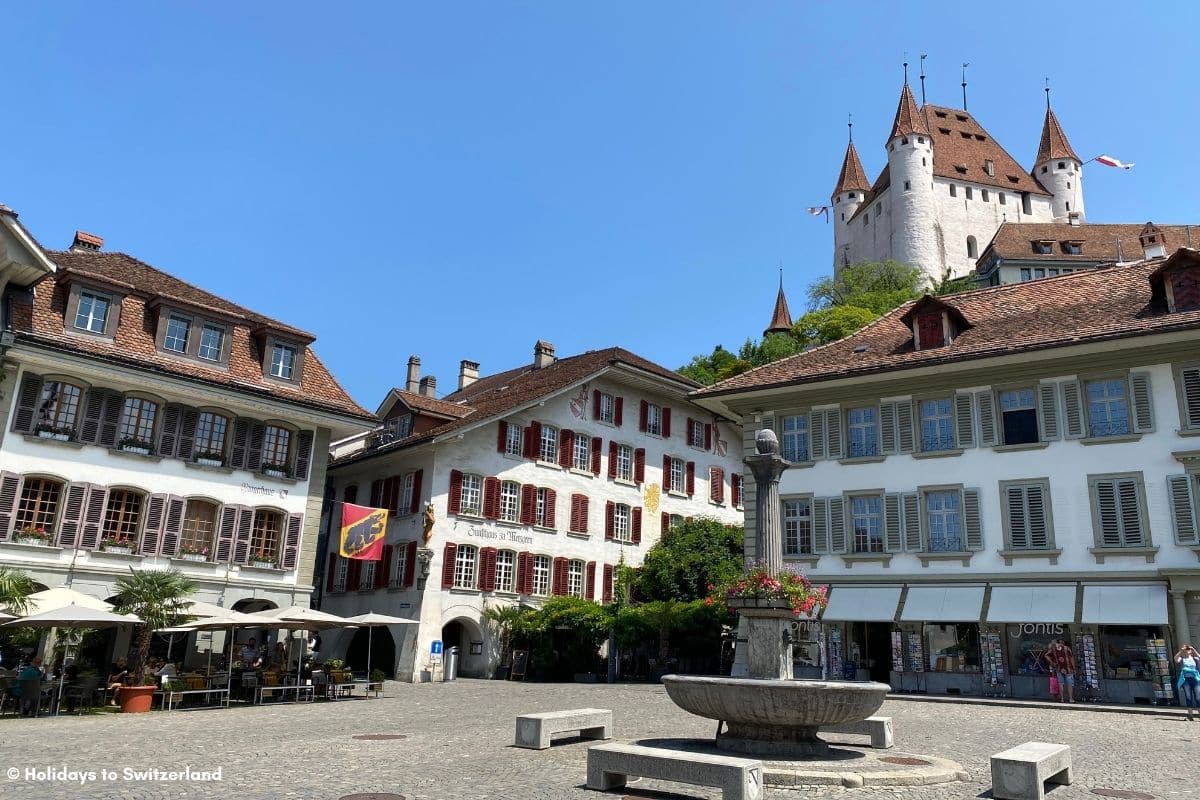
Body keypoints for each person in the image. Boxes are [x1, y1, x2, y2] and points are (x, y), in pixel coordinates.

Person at [1176, 644, 1200, 721]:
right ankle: (1190, 715)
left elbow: (1199, 657)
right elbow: (1176, 659)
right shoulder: (1182, 658)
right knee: (1188, 696)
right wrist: (1181, 650)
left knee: (1198, 697)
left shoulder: (1194, 658)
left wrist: (1193, 649)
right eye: (1186, 649)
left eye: (1188, 649)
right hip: (1186, 680)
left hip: (1195, 679)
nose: (1187, 650)